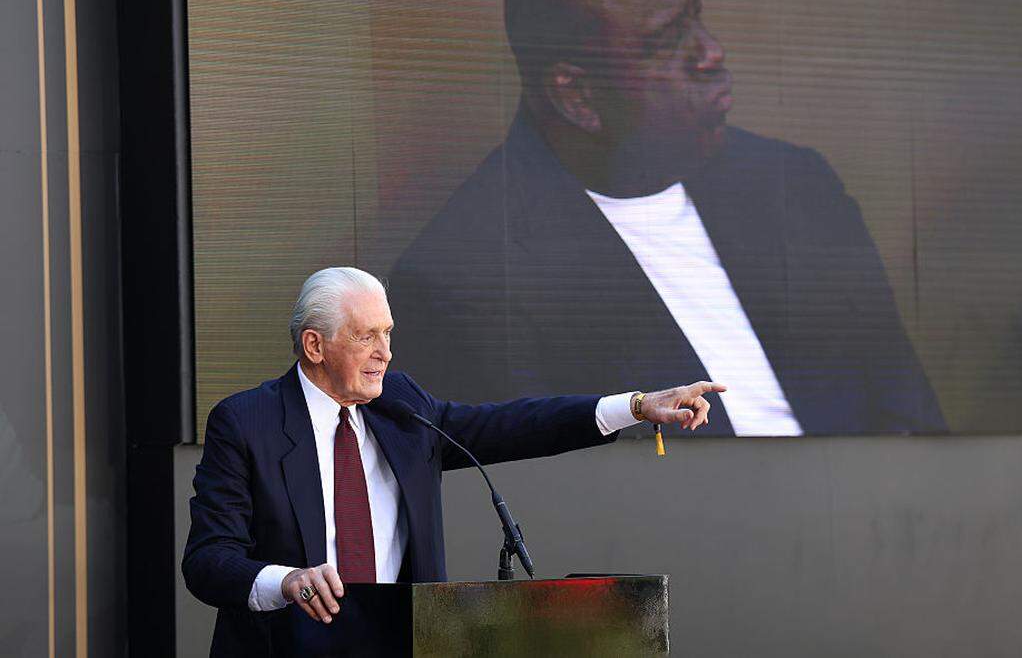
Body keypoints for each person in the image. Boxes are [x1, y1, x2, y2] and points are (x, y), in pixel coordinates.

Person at [388, 0, 945, 436]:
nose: (710, 53)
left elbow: (914, 424)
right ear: (577, 95)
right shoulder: (466, 285)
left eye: (696, 16)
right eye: (667, 39)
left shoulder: (796, 185)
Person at [183, 267, 720, 655]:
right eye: (366, 336)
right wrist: (287, 580)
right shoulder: (246, 422)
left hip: (407, 643)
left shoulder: (402, 406)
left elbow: (514, 425)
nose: (385, 352)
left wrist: (636, 406)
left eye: (387, 333)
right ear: (314, 346)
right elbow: (209, 561)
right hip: (288, 646)